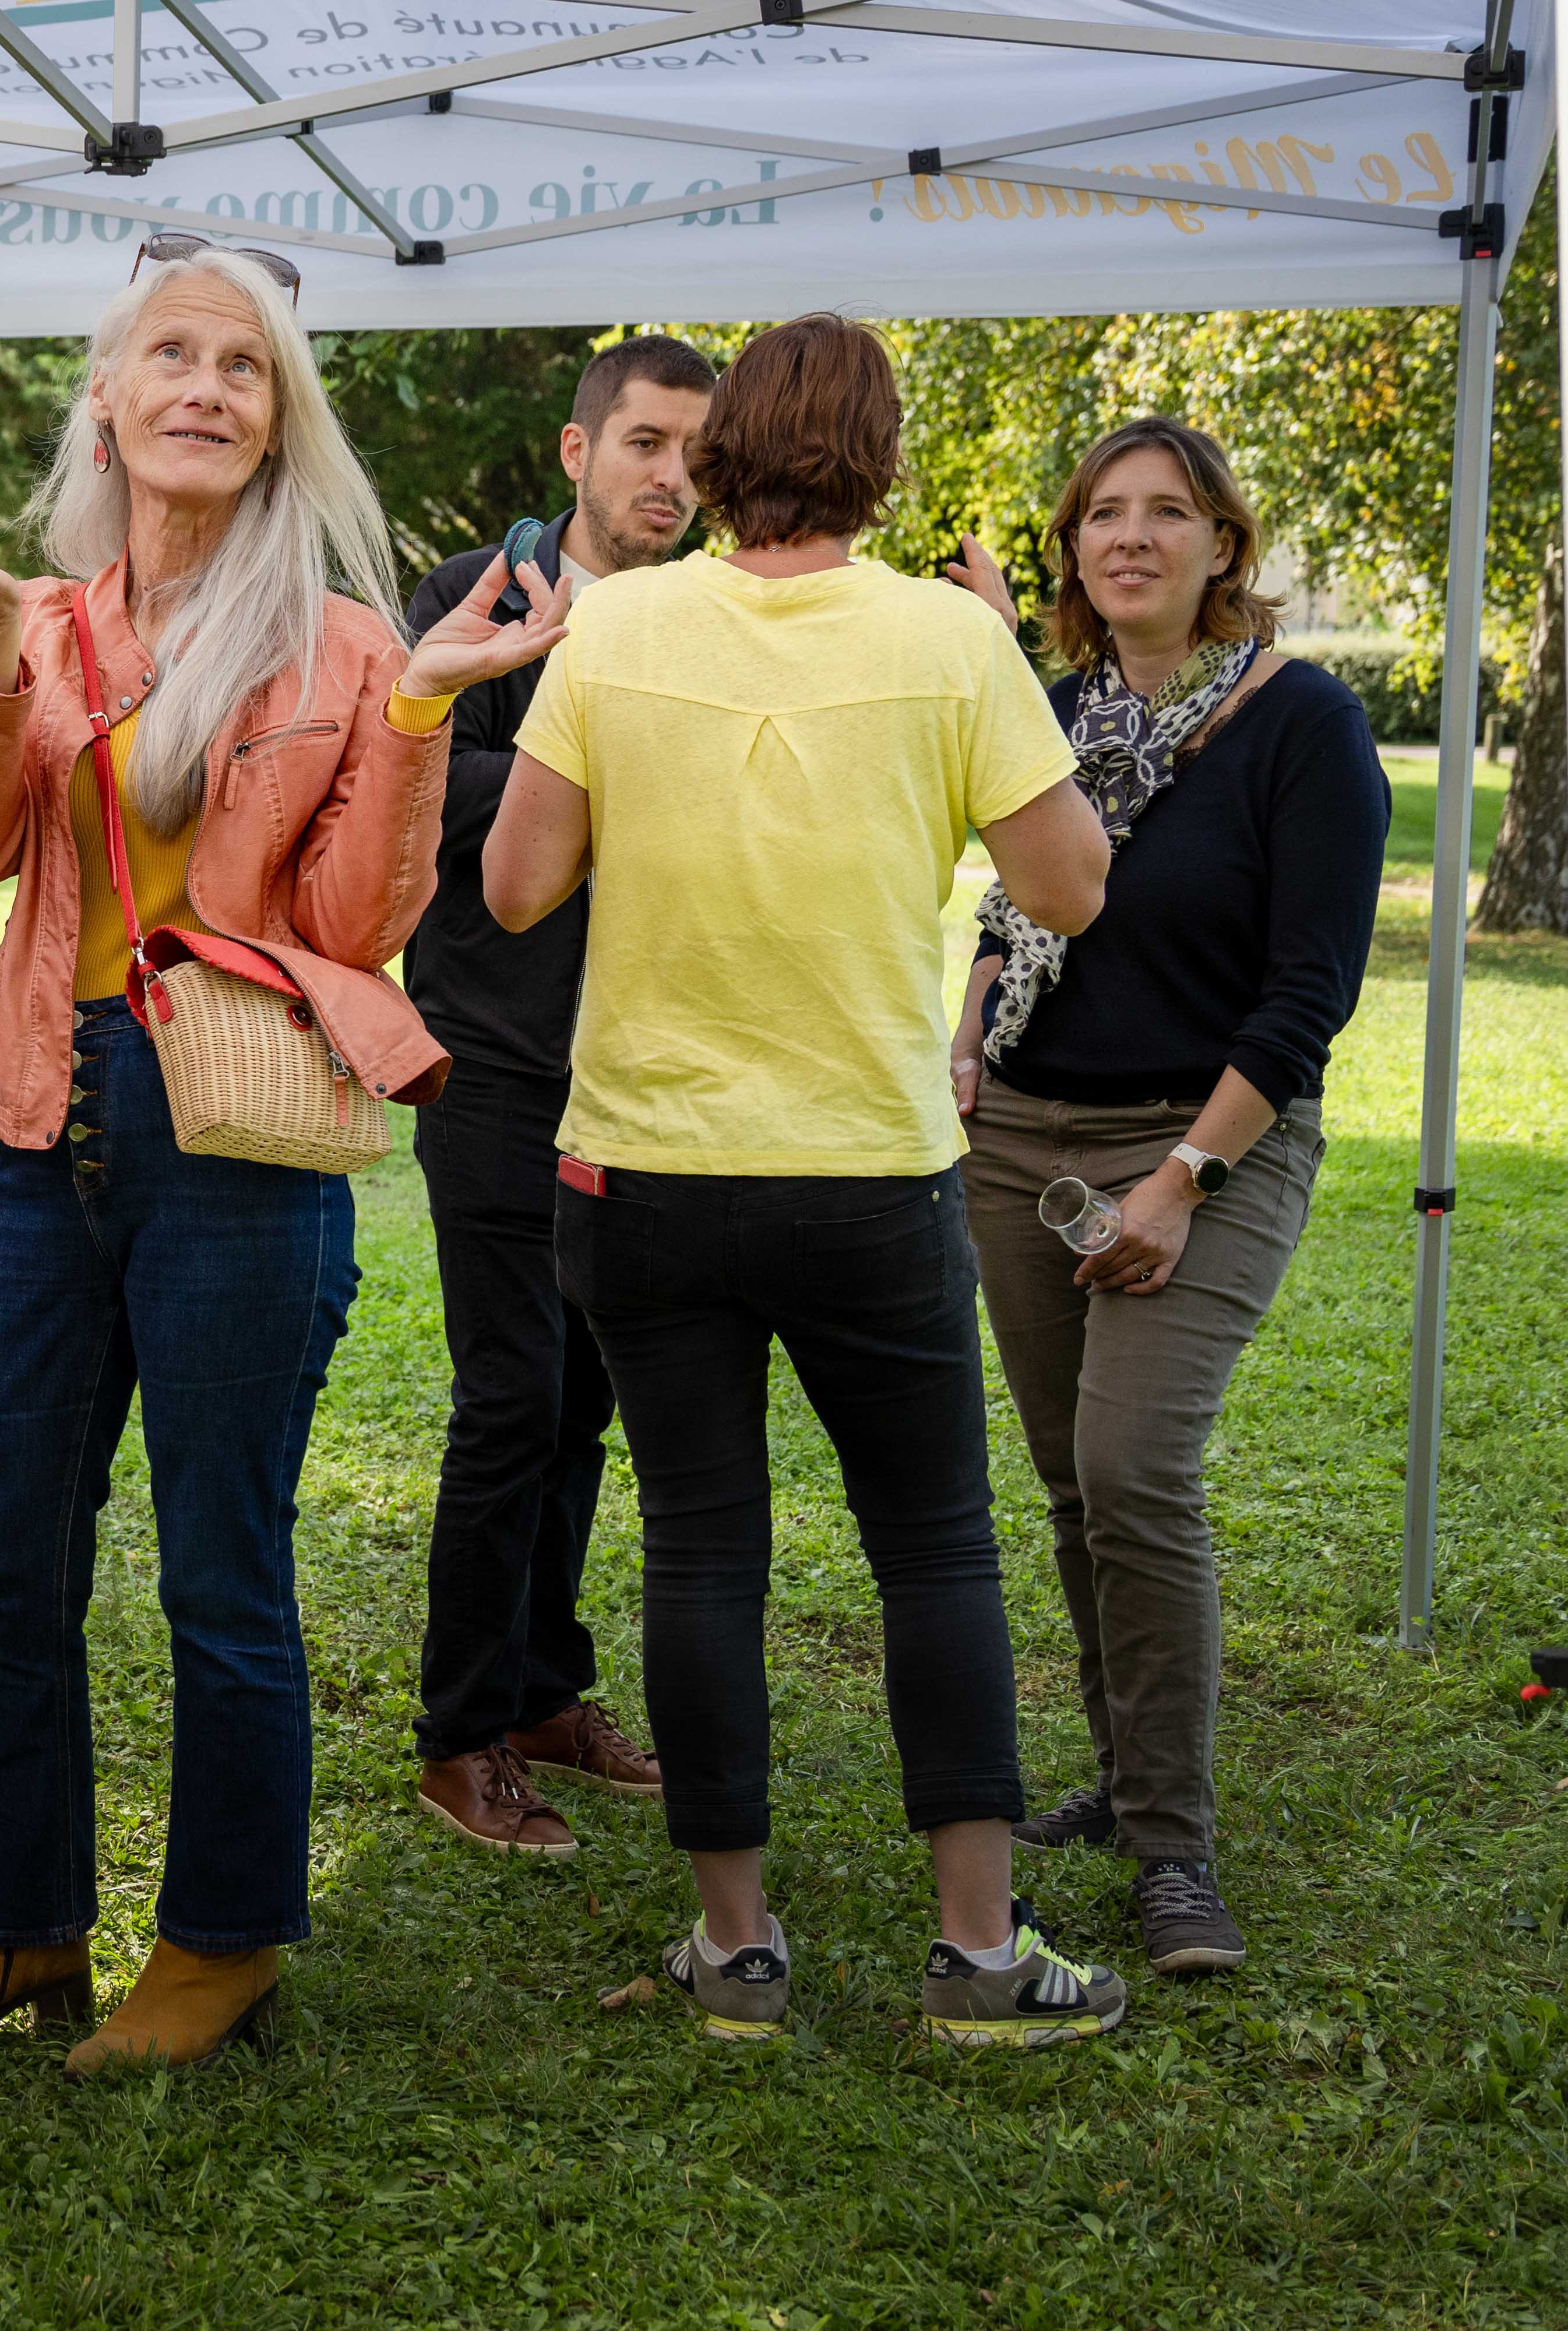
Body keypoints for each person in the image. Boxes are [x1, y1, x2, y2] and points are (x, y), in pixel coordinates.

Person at [0, 240, 566, 2078]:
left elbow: (353, 917)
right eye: (172, 353)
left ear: (276, 421)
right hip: (42, 1119)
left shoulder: (343, 648)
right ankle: (14, 1928)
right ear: (104, 394)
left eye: (247, 368)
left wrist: (415, 718)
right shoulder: (41, 615)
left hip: (230, 1132)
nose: (208, 388)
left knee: (216, 1569)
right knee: (5, 1557)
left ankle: (222, 1939)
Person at [480, 312, 1129, 2048]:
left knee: (701, 1550)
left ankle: (735, 1950)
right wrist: (989, 677)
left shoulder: (613, 625)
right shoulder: (947, 639)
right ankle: (979, 1959)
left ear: (712, 456)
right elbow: (1067, 891)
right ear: (881, 459)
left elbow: (518, 885)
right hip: (864, 1171)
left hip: (642, 1168)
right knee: (932, 1552)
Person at [941, 418, 1387, 1977]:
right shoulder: (1052, 711)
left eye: (1166, 513)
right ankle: (1129, 1786)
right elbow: (1015, 903)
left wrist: (1185, 1177)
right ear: (1070, 549)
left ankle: (1174, 1851)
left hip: (1206, 1137)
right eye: (1100, 516)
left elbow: (1308, 990)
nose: (1128, 537)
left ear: (1221, 545)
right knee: (1074, 1481)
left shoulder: (1300, 724)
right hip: (1021, 1141)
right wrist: (967, 1026)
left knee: (1134, 1468)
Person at [397, 334, 714, 1859]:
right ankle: (455, 1739)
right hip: (489, 1058)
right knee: (509, 1392)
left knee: (585, 1396)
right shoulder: (484, 591)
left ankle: (537, 1691)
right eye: (646, 443)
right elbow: (398, 782)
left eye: (695, 453)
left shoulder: (717, 621)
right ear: (580, 454)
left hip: (641, 1065)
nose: (674, 476)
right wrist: (571, 766)